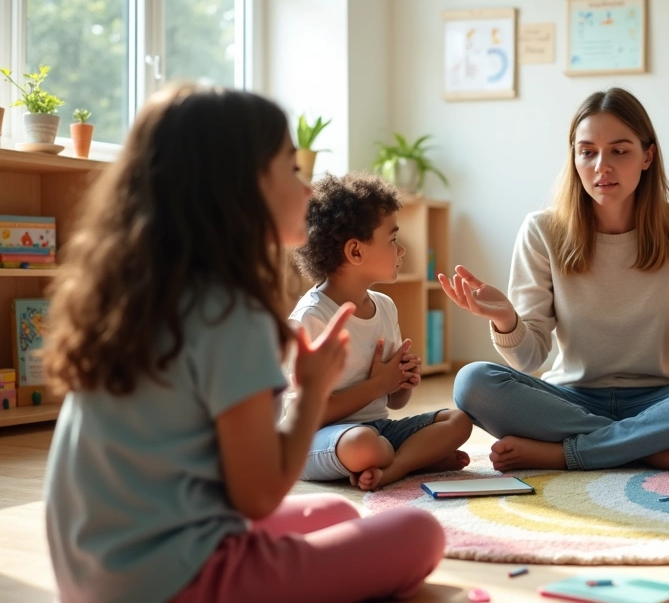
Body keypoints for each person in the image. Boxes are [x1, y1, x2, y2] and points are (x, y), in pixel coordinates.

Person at [41, 85, 445, 603]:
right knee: (420, 533)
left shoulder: (140, 293)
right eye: (291, 169)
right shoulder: (231, 312)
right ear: (238, 189)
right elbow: (258, 495)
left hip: (94, 573)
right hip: (174, 583)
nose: (307, 190)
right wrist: (313, 391)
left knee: (333, 512)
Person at [443, 87, 669, 475]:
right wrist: (506, 321)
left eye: (619, 151)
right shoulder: (542, 230)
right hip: (571, 400)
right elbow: (529, 358)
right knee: (472, 382)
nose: (602, 166)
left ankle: (567, 454)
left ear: (647, 156)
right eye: (587, 152)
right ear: (574, 157)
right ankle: (657, 449)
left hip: (664, 399)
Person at [288, 173, 472, 492]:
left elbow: (396, 402)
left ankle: (395, 467)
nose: (402, 251)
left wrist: (403, 380)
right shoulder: (312, 318)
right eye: (393, 240)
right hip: (315, 439)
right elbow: (307, 414)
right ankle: (412, 458)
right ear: (356, 252)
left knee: (459, 421)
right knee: (364, 445)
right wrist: (379, 384)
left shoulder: (384, 306)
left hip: (377, 428)